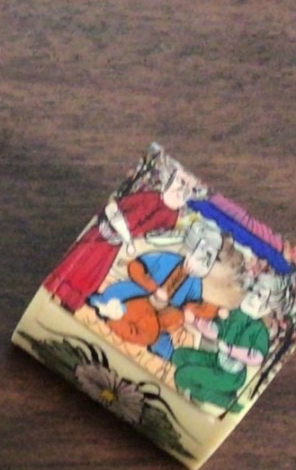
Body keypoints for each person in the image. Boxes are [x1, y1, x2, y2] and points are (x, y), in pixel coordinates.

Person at [43, 169, 195, 310]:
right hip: (103, 233)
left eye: (189, 188)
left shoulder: (172, 216)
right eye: (181, 181)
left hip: (115, 245)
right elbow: (113, 208)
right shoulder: (149, 195)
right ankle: (54, 293)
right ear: (171, 179)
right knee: (78, 262)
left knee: (91, 274)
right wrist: (125, 234)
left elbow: (154, 237)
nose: (183, 190)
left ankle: (68, 302)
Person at [88, 217, 225, 361]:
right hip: (137, 298)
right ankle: (111, 315)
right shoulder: (166, 259)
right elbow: (135, 267)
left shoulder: (195, 283)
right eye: (202, 256)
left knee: (160, 329)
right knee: (140, 324)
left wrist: (215, 310)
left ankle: (113, 317)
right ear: (190, 250)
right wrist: (153, 288)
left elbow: (195, 306)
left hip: (157, 317)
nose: (204, 264)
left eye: (209, 261)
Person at [172, 273, 277, 411]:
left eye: (261, 295)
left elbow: (257, 357)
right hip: (217, 360)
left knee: (182, 375)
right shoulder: (236, 313)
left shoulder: (259, 329)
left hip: (231, 376)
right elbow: (217, 330)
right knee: (179, 355)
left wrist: (231, 350)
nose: (254, 296)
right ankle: (211, 388)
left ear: (267, 305)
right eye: (255, 290)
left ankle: (225, 401)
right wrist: (196, 321)